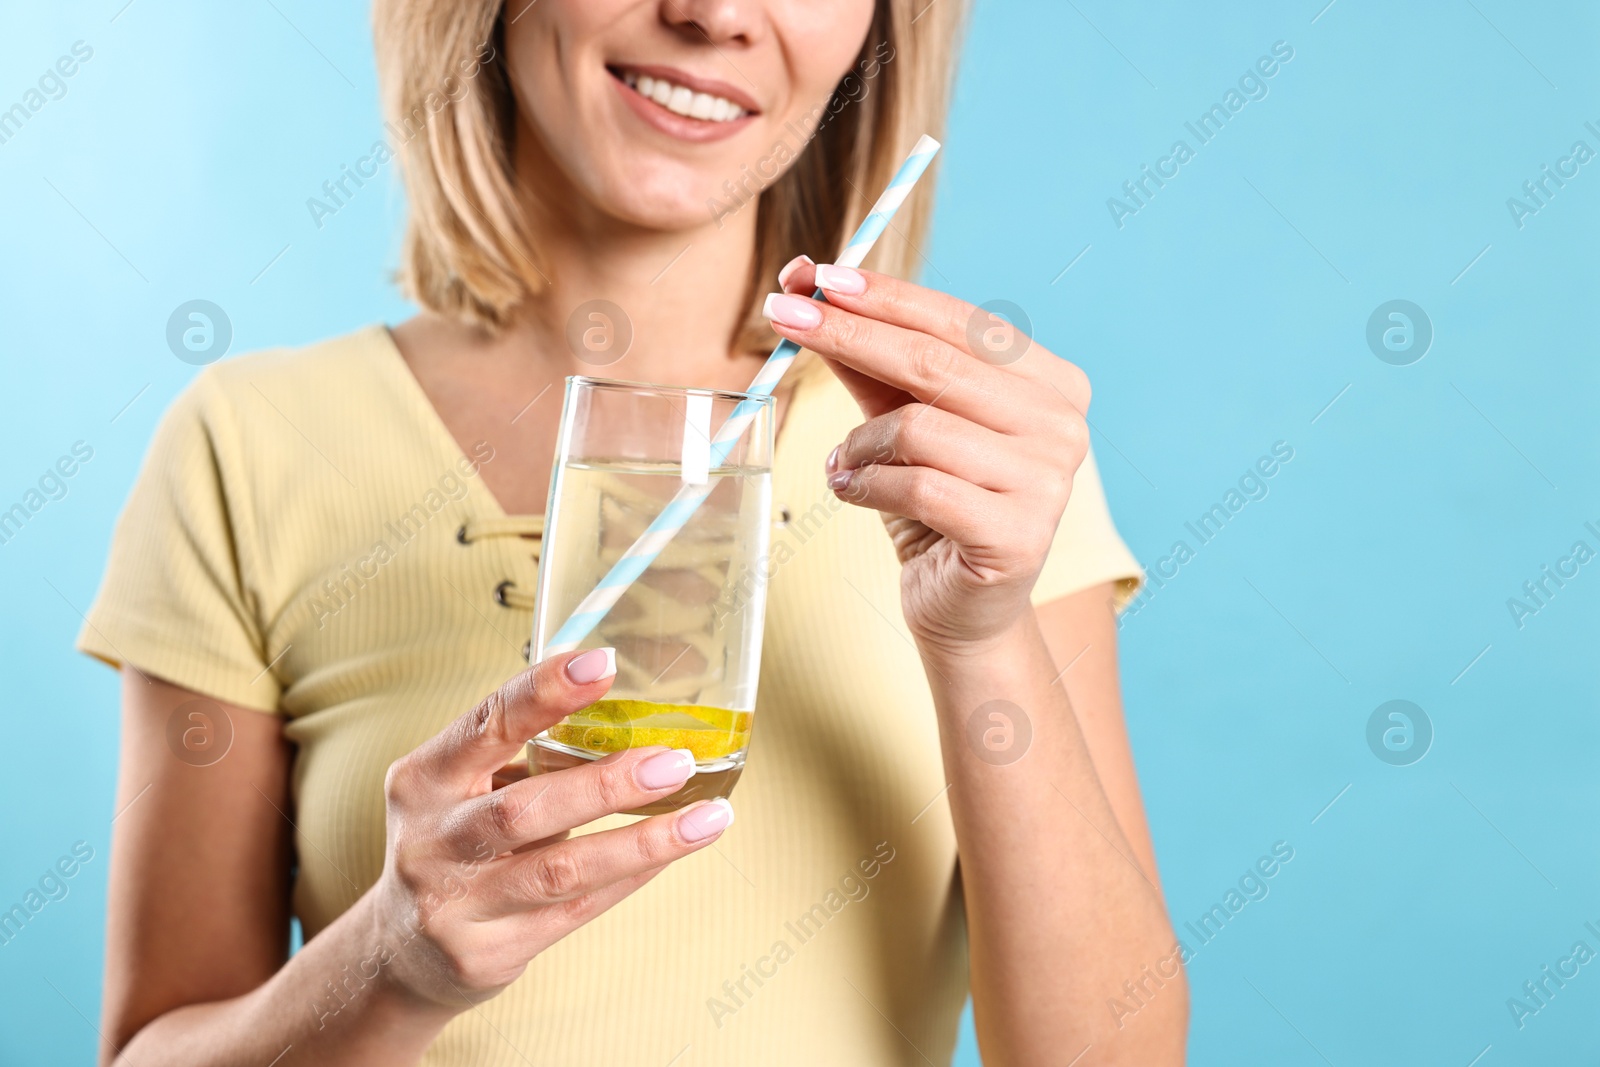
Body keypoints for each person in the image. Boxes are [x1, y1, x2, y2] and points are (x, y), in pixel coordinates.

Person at [79, 0, 1188, 1063]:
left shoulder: (961, 459)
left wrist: (982, 637)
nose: (713, 12)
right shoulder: (253, 442)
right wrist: (389, 965)